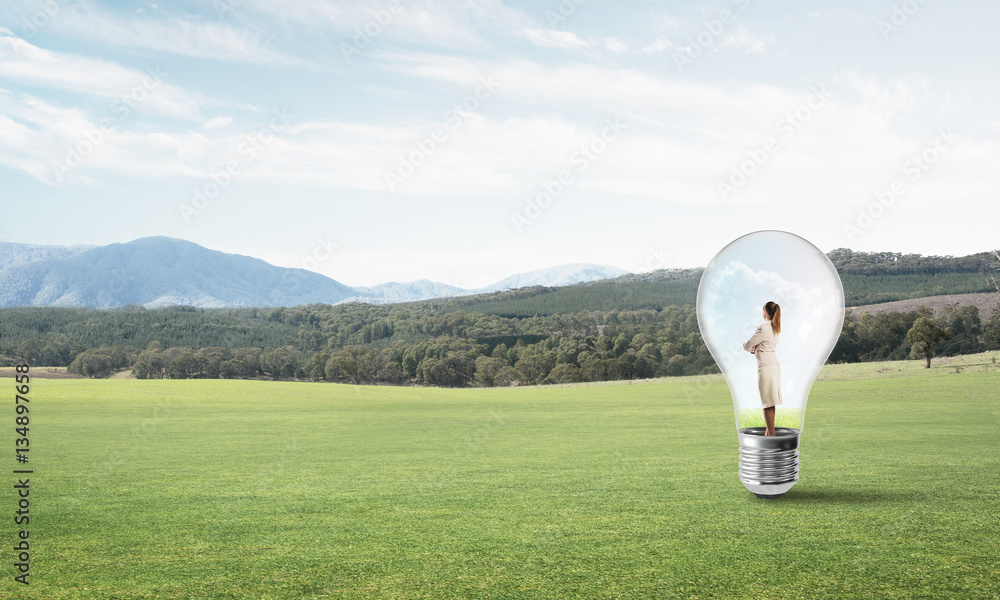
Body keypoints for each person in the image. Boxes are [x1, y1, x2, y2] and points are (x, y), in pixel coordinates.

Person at [743, 301, 782, 435]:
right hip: (775, 366)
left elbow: (748, 345)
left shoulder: (763, 328)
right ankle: (768, 432)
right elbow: (766, 345)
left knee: (766, 403)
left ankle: (771, 435)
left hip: (765, 367)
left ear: (765, 312)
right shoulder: (776, 328)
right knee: (771, 402)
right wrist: (757, 348)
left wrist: (751, 348)